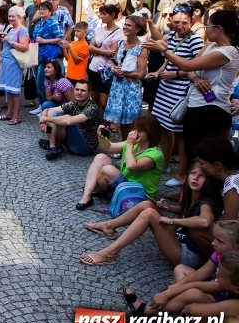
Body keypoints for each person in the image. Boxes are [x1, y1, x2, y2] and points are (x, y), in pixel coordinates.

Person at [79, 161, 221, 267]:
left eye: (201, 176)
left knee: (149, 213)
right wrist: (169, 207)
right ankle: (109, 226)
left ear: (208, 181)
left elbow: (205, 221)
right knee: (147, 204)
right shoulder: (191, 197)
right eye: (193, 173)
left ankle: (110, 253)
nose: (195, 178)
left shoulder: (205, 203)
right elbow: (187, 213)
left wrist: (173, 221)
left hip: (187, 256)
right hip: (179, 240)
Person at [126, 251, 239, 323]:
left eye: (222, 275)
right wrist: (167, 294)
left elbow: (192, 309)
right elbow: (195, 285)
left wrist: (184, 314)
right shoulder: (227, 284)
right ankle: (146, 311)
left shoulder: (235, 305)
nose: (216, 273)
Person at [147, 4, 203, 186]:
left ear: (191, 21)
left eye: (184, 23)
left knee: (179, 133)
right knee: (164, 126)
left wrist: (176, 74)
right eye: (176, 21)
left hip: (180, 89)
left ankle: (181, 174)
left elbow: (197, 67)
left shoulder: (195, 41)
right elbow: (163, 48)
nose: (179, 25)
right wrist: (150, 24)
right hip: (165, 87)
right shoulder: (171, 35)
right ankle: (164, 163)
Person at [76, 114, 164, 211]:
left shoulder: (155, 154)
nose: (135, 133)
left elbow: (131, 166)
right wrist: (100, 136)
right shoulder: (136, 143)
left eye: (140, 131)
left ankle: (102, 189)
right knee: (100, 157)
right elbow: (109, 147)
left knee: (107, 170)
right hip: (125, 182)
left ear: (150, 133)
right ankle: (87, 196)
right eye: (135, 129)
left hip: (139, 192)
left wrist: (130, 144)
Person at [149, 220, 239, 312]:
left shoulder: (234, 265)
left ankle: (152, 309)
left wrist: (172, 291)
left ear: (237, 247)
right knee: (180, 269)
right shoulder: (218, 254)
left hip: (220, 303)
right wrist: (175, 287)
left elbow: (214, 286)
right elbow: (200, 273)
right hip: (213, 288)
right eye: (214, 238)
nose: (213, 243)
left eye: (220, 241)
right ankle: (176, 301)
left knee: (192, 293)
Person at [103, 15, 149, 139]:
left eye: (129, 25)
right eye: (125, 24)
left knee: (131, 122)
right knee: (122, 121)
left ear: (138, 29)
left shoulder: (142, 48)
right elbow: (113, 63)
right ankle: (125, 148)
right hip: (117, 86)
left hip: (131, 88)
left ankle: (133, 149)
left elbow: (141, 74)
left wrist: (123, 73)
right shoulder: (119, 44)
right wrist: (113, 69)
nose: (125, 27)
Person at [38, 80, 102, 160]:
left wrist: (45, 119)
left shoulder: (92, 107)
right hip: (72, 140)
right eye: (77, 89)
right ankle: (52, 146)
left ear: (89, 93)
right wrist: (43, 120)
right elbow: (47, 110)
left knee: (65, 118)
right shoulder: (74, 103)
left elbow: (68, 121)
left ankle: (56, 143)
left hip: (85, 146)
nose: (79, 92)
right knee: (50, 111)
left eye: (83, 90)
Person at [87, 3, 124, 112]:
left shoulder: (119, 32)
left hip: (107, 69)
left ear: (113, 15)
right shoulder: (99, 29)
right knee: (94, 97)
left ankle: (106, 123)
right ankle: (97, 122)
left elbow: (112, 52)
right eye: (100, 14)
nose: (101, 16)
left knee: (104, 102)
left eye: (104, 14)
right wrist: (103, 51)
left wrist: (98, 50)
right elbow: (90, 47)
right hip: (94, 67)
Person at [0, 6, 30, 125]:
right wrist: (0, 38)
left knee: (15, 90)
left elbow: (24, 47)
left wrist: (10, 41)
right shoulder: (10, 29)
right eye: (9, 16)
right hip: (6, 61)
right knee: (8, 90)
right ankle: (9, 113)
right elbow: (1, 47)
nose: (10, 18)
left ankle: (17, 115)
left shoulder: (23, 30)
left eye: (13, 16)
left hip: (15, 63)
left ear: (19, 17)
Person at [30, 0, 65, 114]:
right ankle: (41, 105)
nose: (42, 11)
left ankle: (46, 107)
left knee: (42, 82)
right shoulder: (40, 22)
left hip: (47, 56)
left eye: (44, 9)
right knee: (37, 81)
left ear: (51, 11)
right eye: (40, 9)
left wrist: (45, 40)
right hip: (38, 54)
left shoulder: (53, 22)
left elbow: (60, 38)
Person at [192, 137, 239, 220]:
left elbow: (228, 223)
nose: (199, 166)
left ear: (217, 165)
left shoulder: (232, 183)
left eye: (202, 163)